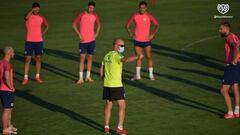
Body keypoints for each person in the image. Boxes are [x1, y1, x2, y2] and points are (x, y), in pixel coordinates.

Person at [100, 39, 143, 135]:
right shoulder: (116, 55)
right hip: (116, 85)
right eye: (121, 45)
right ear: (115, 45)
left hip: (107, 85)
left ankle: (106, 127)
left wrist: (104, 79)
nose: (123, 47)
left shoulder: (107, 55)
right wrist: (138, 56)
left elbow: (101, 69)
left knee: (108, 105)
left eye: (123, 45)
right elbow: (125, 60)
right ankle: (119, 128)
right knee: (122, 106)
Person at [126, 1, 159, 81]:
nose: (142, 9)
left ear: (146, 8)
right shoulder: (135, 15)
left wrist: (152, 34)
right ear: (139, 8)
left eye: (143, 8)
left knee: (148, 57)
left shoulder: (149, 16)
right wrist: (131, 34)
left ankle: (151, 75)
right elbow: (127, 25)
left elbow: (157, 25)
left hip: (146, 41)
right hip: (137, 40)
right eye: (140, 8)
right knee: (138, 57)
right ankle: (138, 75)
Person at [73, 1, 101, 84]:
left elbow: (99, 24)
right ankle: (80, 78)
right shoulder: (82, 15)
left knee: (90, 58)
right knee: (82, 59)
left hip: (92, 41)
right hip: (83, 41)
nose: (91, 9)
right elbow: (74, 24)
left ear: (94, 8)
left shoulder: (95, 16)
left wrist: (97, 33)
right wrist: (79, 34)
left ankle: (88, 77)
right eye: (90, 8)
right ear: (87, 7)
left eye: (92, 8)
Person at [22, 2, 49, 85]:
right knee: (27, 59)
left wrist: (42, 34)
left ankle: (37, 77)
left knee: (38, 59)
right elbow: (26, 17)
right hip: (29, 41)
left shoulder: (41, 17)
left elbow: (47, 25)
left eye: (38, 8)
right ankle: (25, 78)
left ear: (39, 9)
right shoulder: (28, 15)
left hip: (39, 42)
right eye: (35, 8)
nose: (36, 9)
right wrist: (31, 10)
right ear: (32, 8)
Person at [219, 22, 240, 119]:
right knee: (235, 87)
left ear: (226, 29)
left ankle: (230, 113)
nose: (220, 31)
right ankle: (237, 111)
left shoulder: (229, 37)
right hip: (238, 65)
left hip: (232, 66)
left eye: (221, 29)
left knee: (223, 90)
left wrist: (234, 60)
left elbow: (235, 47)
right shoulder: (234, 36)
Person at [0, 47, 17, 134]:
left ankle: (9, 126)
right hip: (6, 90)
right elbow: (6, 76)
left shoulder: (1, 62)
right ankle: (5, 128)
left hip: (3, 89)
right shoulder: (7, 64)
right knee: (7, 109)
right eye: (13, 52)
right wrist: (11, 87)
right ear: (8, 53)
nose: (14, 53)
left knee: (9, 109)